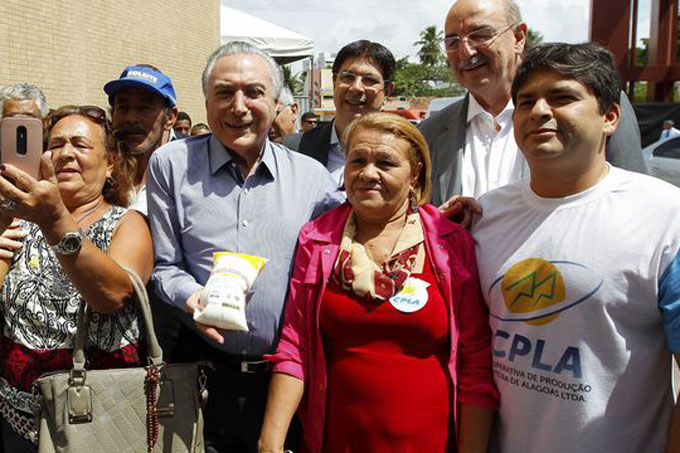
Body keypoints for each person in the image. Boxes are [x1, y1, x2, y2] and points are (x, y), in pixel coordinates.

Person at [472, 42, 680, 452]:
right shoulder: (484, 214)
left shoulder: (666, 217)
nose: (539, 111)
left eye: (562, 97)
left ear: (610, 117)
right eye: (526, 101)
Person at [260, 112, 498, 453]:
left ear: (415, 174)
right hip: (339, 441)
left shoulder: (449, 242)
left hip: (430, 442)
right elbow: (295, 346)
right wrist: (270, 443)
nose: (368, 173)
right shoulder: (318, 239)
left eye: (385, 163)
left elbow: (475, 361)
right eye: (358, 161)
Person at [147, 41, 342, 453]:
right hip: (202, 377)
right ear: (206, 102)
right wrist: (192, 298)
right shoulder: (170, 165)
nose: (239, 107)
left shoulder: (313, 178)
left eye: (254, 92)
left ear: (276, 102)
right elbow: (165, 266)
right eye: (224, 93)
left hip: (286, 380)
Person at [0, 105, 152, 451]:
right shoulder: (17, 222)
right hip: (18, 421)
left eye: (80, 145)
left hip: (99, 423)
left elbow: (111, 296)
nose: (65, 153)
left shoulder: (128, 224)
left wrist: (55, 221)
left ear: (110, 162)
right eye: (55, 145)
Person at [419, 0, 648, 206]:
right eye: (452, 42)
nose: (465, 52)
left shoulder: (596, 106)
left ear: (518, 38)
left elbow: (635, 202)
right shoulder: (428, 134)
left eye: (480, 35)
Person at [284, 40, 396, 184]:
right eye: (348, 77)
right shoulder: (295, 149)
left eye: (369, 80)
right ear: (334, 81)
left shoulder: (404, 150)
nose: (356, 88)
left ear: (388, 91)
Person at [104, 64, 179, 216]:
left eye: (144, 108)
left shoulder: (191, 169)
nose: (131, 118)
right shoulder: (99, 167)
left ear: (170, 117)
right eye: (123, 107)